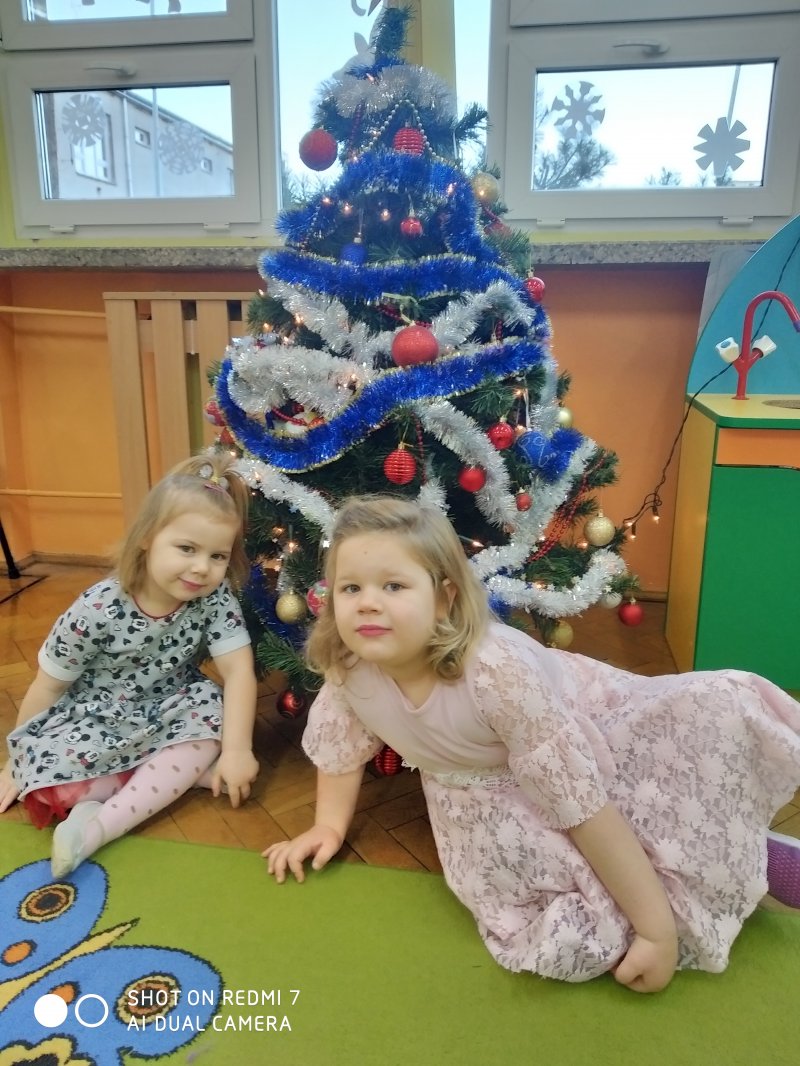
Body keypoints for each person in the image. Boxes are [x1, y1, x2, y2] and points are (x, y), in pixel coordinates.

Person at [264, 495, 800, 993]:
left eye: (393, 587)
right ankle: (739, 857)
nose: (367, 605)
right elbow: (340, 750)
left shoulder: (494, 675)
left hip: (572, 734)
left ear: (445, 598)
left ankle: (754, 852)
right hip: (478, 791)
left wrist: (656, 933)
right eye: (350, 589)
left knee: (645, 803)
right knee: (571, 913)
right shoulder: (350, 668)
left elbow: (584, 805)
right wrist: (327, 826)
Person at [0, 453, 259, 877]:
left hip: (173, 706)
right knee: (50, 787)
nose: (202, 568)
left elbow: (238, 673)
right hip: (96, 717)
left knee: (215, 715)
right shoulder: (97, 608)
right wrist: (18, 758)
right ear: (146, 538)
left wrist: (237, 750)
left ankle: (100, 827)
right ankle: (171, 775)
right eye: (187, 549)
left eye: (218, 556)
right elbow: (48, 686)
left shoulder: (215, 599)